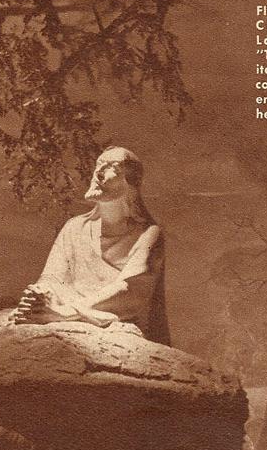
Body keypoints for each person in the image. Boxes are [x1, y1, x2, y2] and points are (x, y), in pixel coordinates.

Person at [11, 146, 170, 345]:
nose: (98, 173)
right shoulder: (75, 227)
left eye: (112, 167)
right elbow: (52, 278)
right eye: (99, 165)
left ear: (130, 183)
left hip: (115, 326)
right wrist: (37, 297)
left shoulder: (148, 235)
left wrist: (66, 312)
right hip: (66, 313)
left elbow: (130, 291)